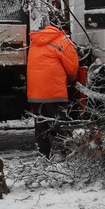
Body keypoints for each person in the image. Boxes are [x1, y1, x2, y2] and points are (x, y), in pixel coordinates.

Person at [27, 24, 79, 158]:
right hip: (54, 91)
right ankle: (68, 154)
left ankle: (44, 155)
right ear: (65, 30)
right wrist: (72, 79)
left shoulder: (35, 41)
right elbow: (72, 67)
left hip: (35, 91)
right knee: (61, 123)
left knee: (40, 124)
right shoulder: (63, 40)